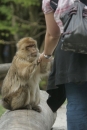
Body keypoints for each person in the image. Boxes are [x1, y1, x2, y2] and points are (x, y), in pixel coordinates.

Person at [38, 0, 87, 130]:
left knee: (78, 103)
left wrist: (46, 55)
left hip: (72, 51)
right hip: (72, 53)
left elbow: (53, 34)